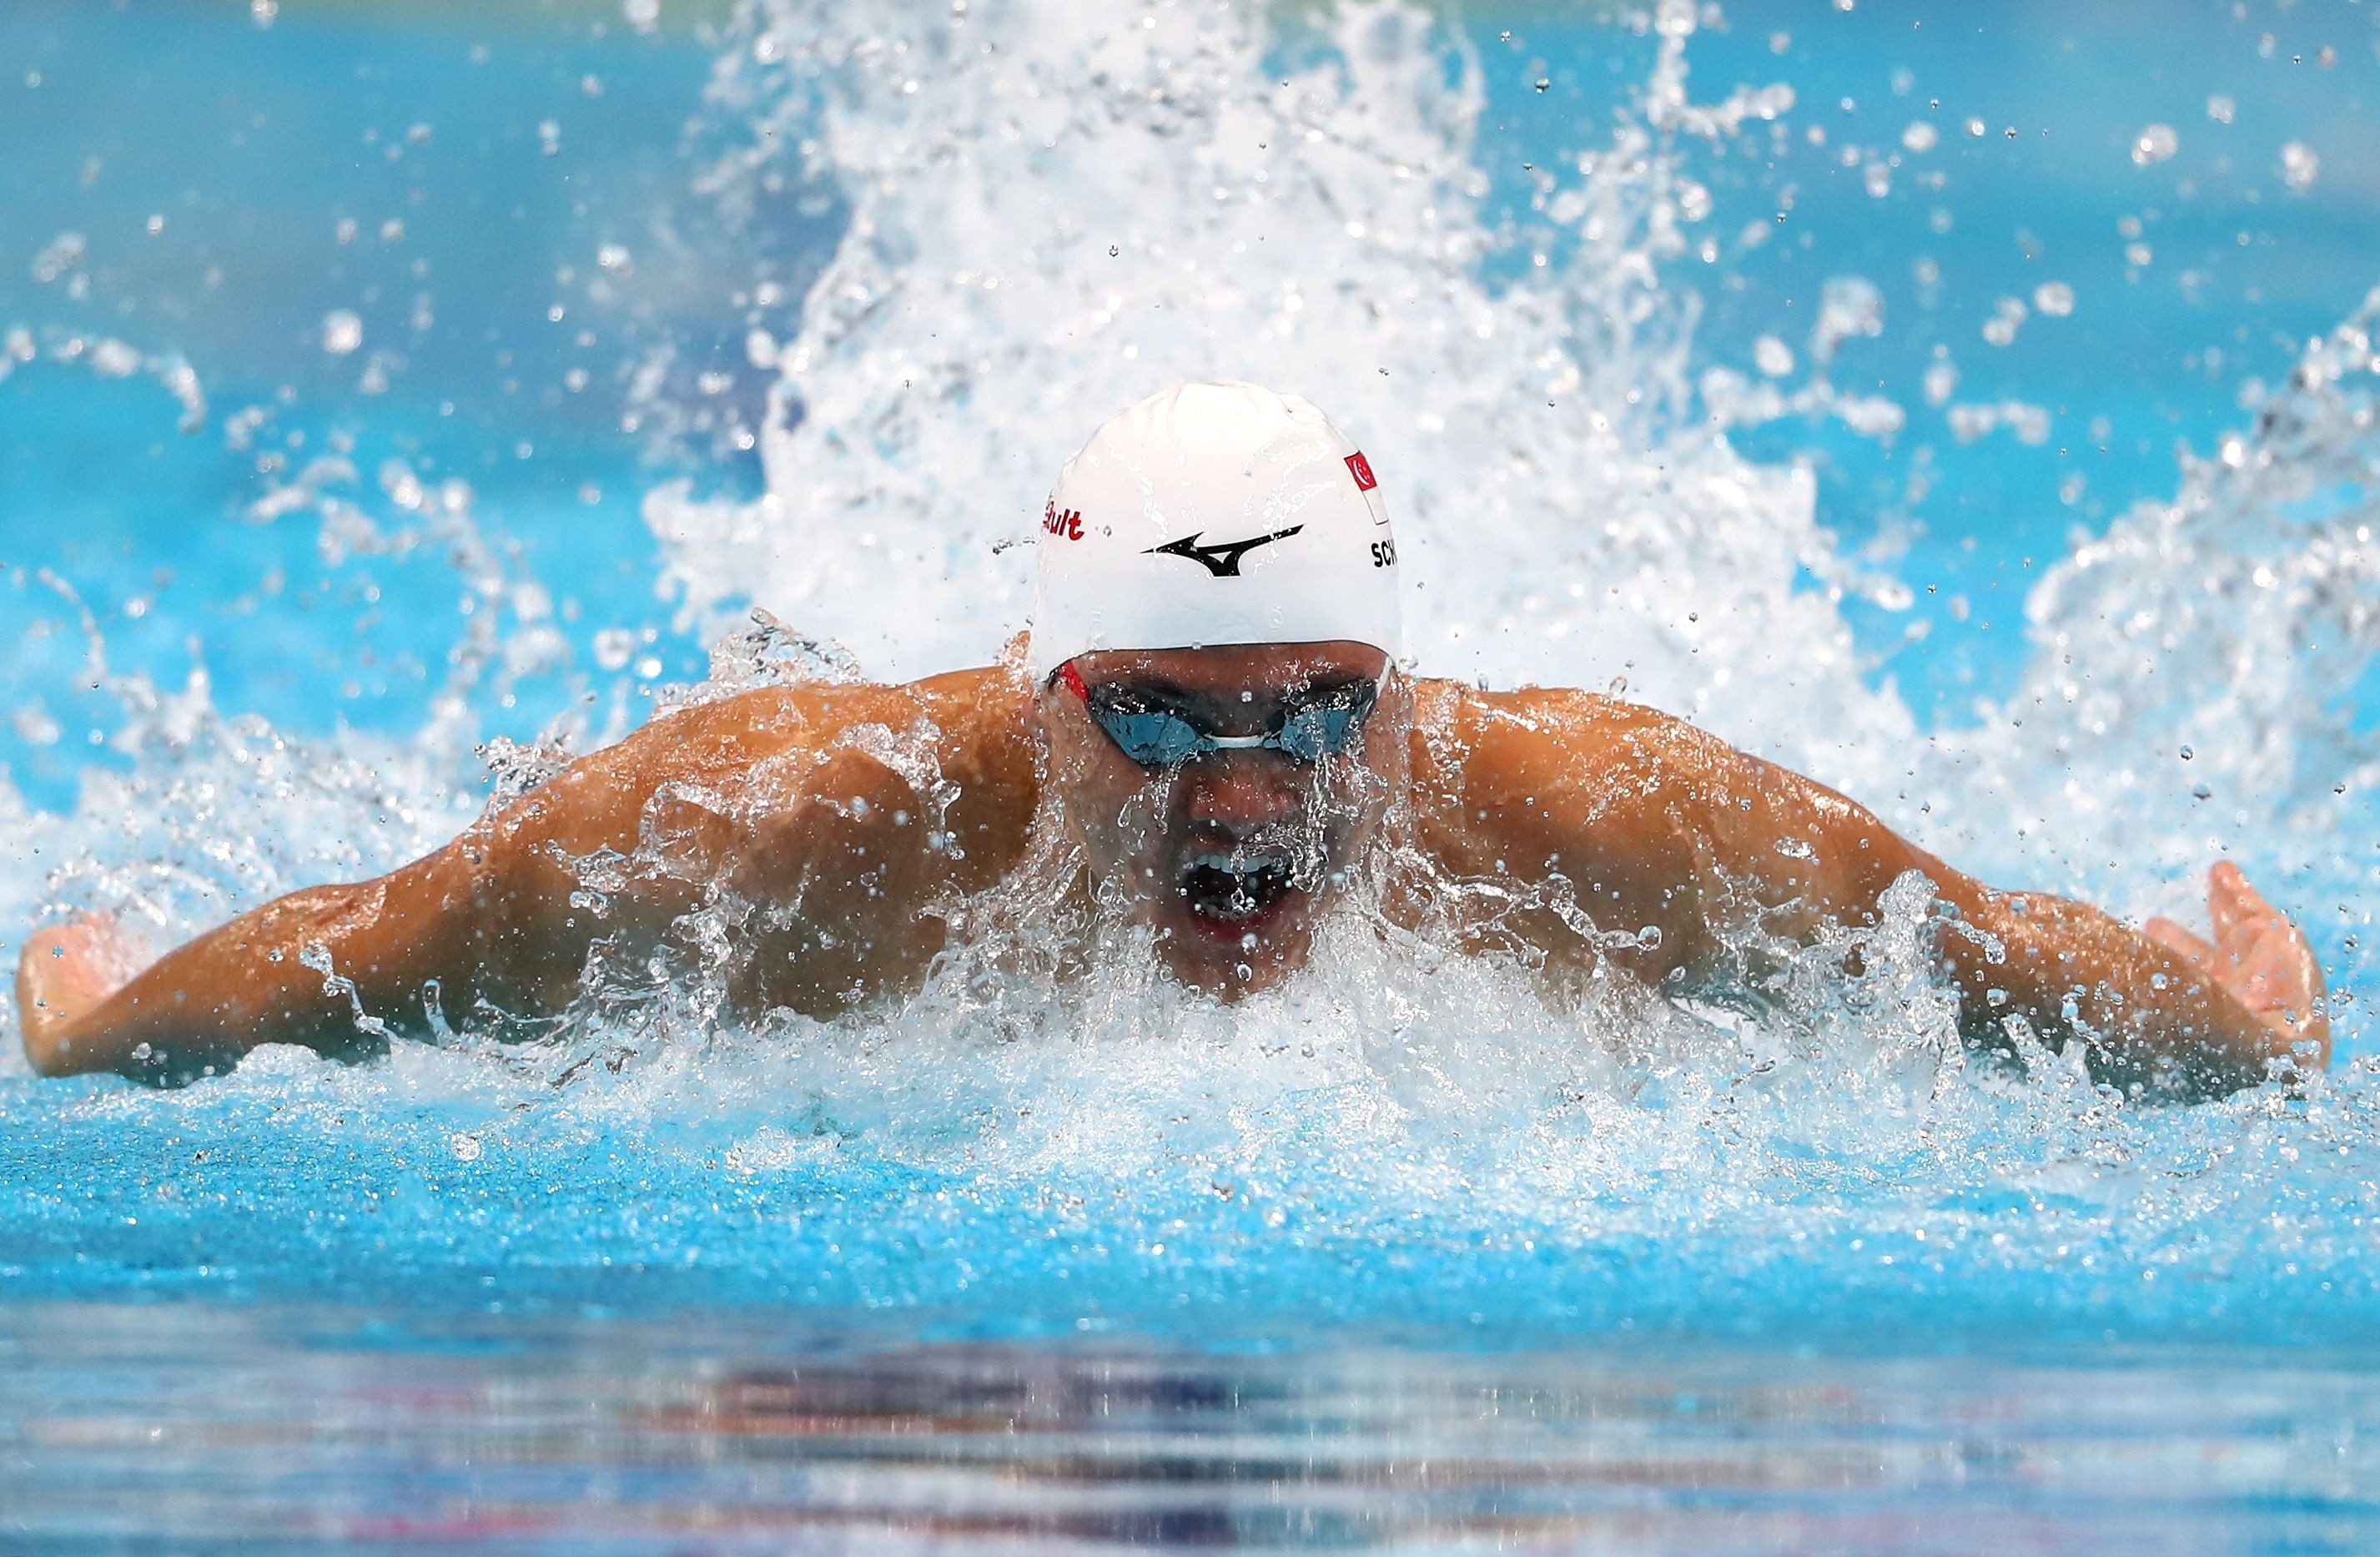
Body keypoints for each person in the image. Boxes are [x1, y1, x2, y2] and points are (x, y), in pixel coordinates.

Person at [14, 382, 2330, 1096]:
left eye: (1319, 714)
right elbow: (389, 948)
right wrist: (108, 1031)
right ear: (1047, 699)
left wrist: (2234, 1044)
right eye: (1160, 719)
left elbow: (1960, 946)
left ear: (1401, 700)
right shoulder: (768, 823)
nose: (1244, 798)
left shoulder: (1595, 814)